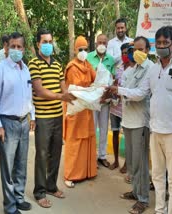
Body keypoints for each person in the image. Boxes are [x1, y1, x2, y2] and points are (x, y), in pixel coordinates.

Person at [107, 26, 172, 214]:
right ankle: (160, 210)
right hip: (155, 129)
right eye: (159, 43)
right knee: (156, 175)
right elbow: (141, 93)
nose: (162, 46)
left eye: (166, 43)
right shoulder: (154, 68)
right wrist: (119, 90)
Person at [28, 28, 75, 208]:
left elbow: (64, 88)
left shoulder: (57, 64)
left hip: (58, 116)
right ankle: (39, 192)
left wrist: (76, 96)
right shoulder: (34, 63)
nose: (48, 45)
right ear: (38, 44)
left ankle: (51, 186)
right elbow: (38, 90)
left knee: (55, 153)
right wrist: (60, 97)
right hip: (43, 116)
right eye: (44, 42)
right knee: (41, 155)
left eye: (50, 42)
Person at [0, 32, 35, 214]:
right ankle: (9, 206)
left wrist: (33, 116)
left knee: (21, 164)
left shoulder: (26, 69)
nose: (16, 50)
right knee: (7, 168)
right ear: (7, 48)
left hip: (24, 122)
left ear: (24, 49)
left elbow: (29, 96)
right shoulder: (0, 69)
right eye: (13, 46)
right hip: (7, 124)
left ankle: (18, 197)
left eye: (19, 47)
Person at [109, 37, 153, 213]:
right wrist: (109, 91)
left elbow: (140, 94)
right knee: (133, 161)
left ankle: (143, 199)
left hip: (141, 122)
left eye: (141, 49)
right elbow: (122, 92)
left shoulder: (151, 69)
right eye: (135, 48)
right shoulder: (130, 69)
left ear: (148, 50)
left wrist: (118, 90)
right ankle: (136, 191)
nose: (137, 52)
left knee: (141, 162)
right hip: (127, 121)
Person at [63, 36, 97, 188]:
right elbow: (75, 89)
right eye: (80, 49)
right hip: (75, 109)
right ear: (75, 50)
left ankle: (86, 172)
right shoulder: (72, 67)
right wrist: (91, 90)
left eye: (85, 49)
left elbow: (96, 81)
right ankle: (70, 175)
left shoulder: (88, 65)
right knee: (74, 141)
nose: (83, 52)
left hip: (86, 109)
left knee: (86, 139)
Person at [87, 34, 115, 168]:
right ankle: (91, 156)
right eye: (100, 42)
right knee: (92, 128)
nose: (102, 45)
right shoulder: (88, 57)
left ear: (107, 44)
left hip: (105, 101)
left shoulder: (111, 59)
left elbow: (113, 78)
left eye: (104, 42)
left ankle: (102, 156)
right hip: (92, 99)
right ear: (96, 43)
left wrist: (107, 94)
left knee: (103, 128)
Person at [107, 43, 131, 172]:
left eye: (127, 52)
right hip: (115, 107)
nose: (125, 55)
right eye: (123, 53)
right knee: (115, 133)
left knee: (127, 137)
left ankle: (127, 163)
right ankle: (116, 161)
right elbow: (113, 84)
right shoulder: (118, 69)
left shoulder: (134, 69)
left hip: (127, 109)